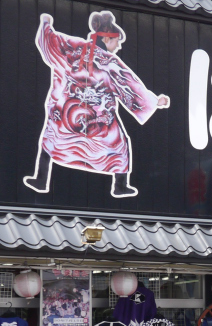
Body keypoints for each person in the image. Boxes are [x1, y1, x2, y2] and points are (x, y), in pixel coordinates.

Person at [25, 11, 170, 199]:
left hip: (65, 117)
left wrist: (46, 23)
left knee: (51, 138)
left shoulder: (71, 47)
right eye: (117, 41)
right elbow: (130, 87)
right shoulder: (110, 62)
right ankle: (120, 186)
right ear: (107, 39)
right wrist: (155, 101)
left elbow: (50, 41)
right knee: (120, 145)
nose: (118, 46)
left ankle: (41, 180)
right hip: (98, 122)